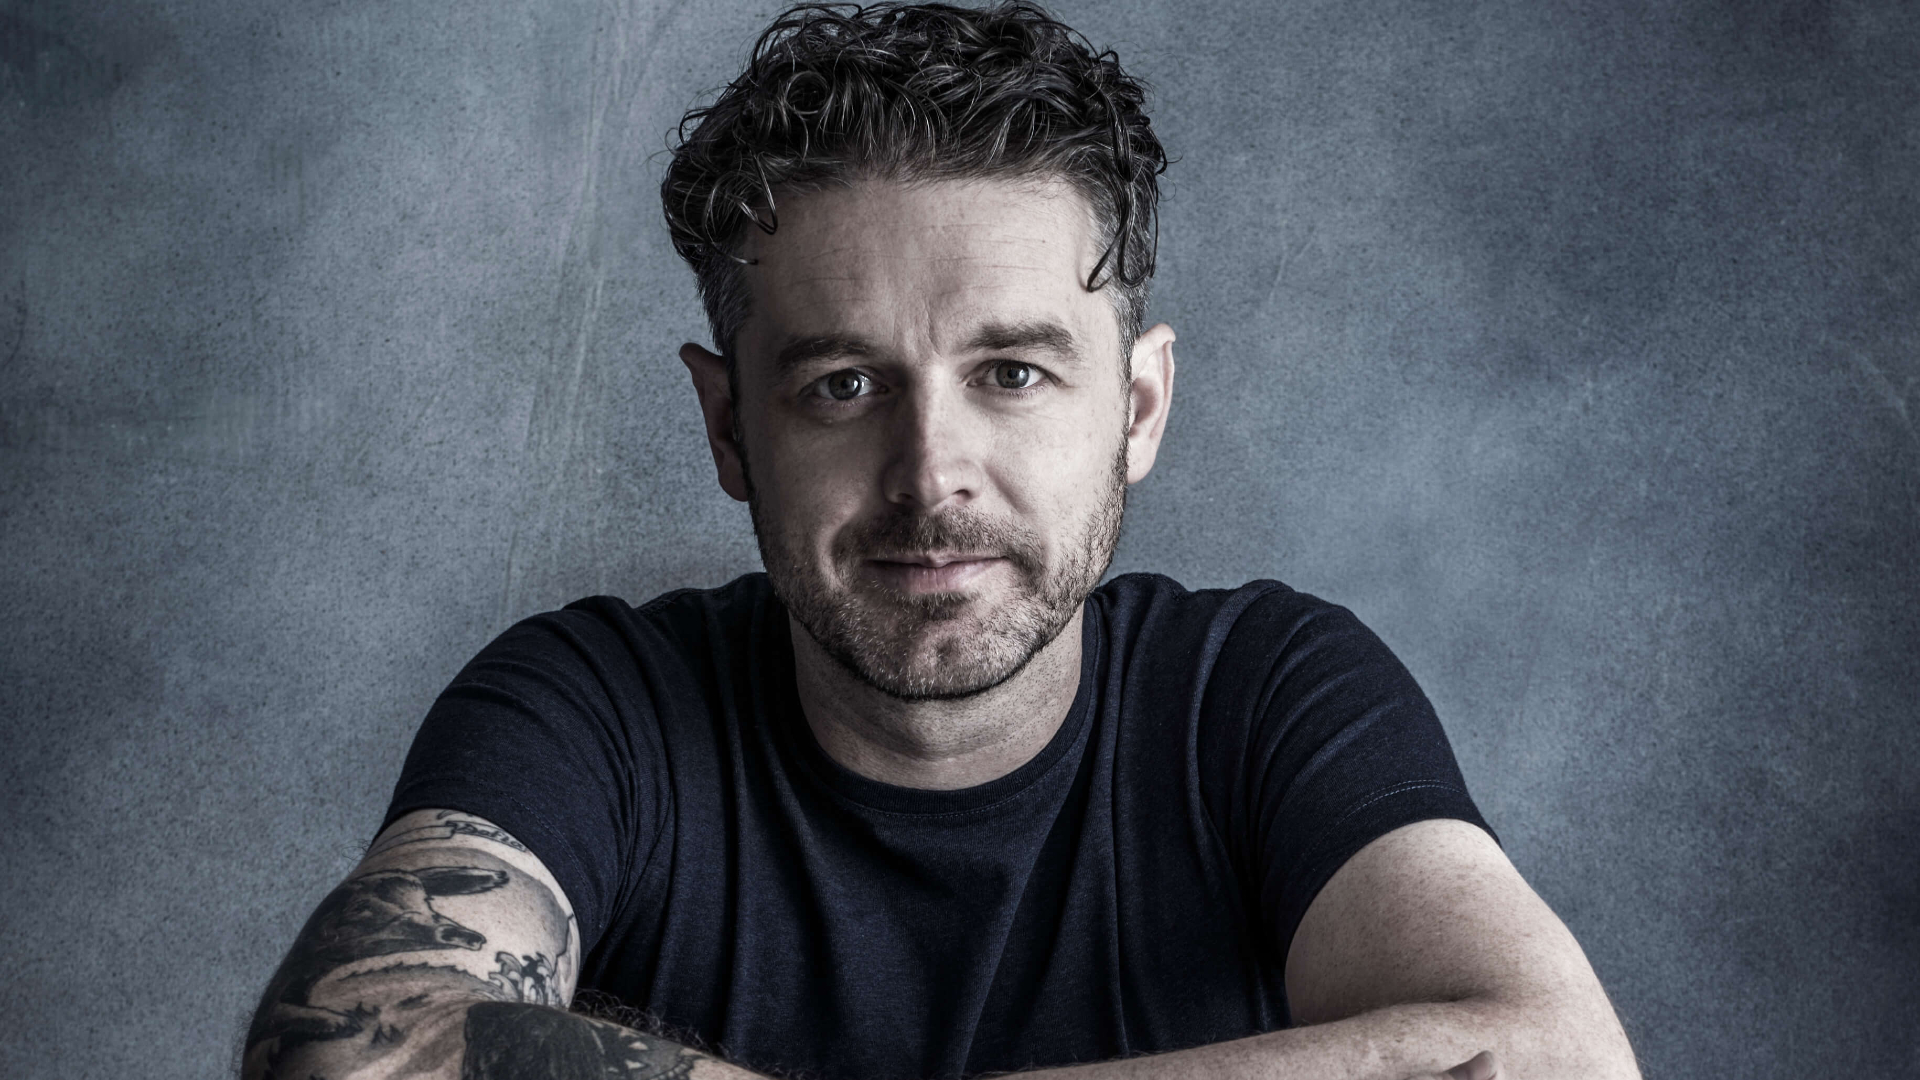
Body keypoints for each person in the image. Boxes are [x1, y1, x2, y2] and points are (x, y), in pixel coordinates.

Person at [242, 4, 1640, 1079]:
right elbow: (350, 1047)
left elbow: (1555, 1059)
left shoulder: (1262, 695)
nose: (931, 476)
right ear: (728, 426)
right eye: (844, 385)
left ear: (1137, 408)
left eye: (1012, 373)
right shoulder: (593, 708)